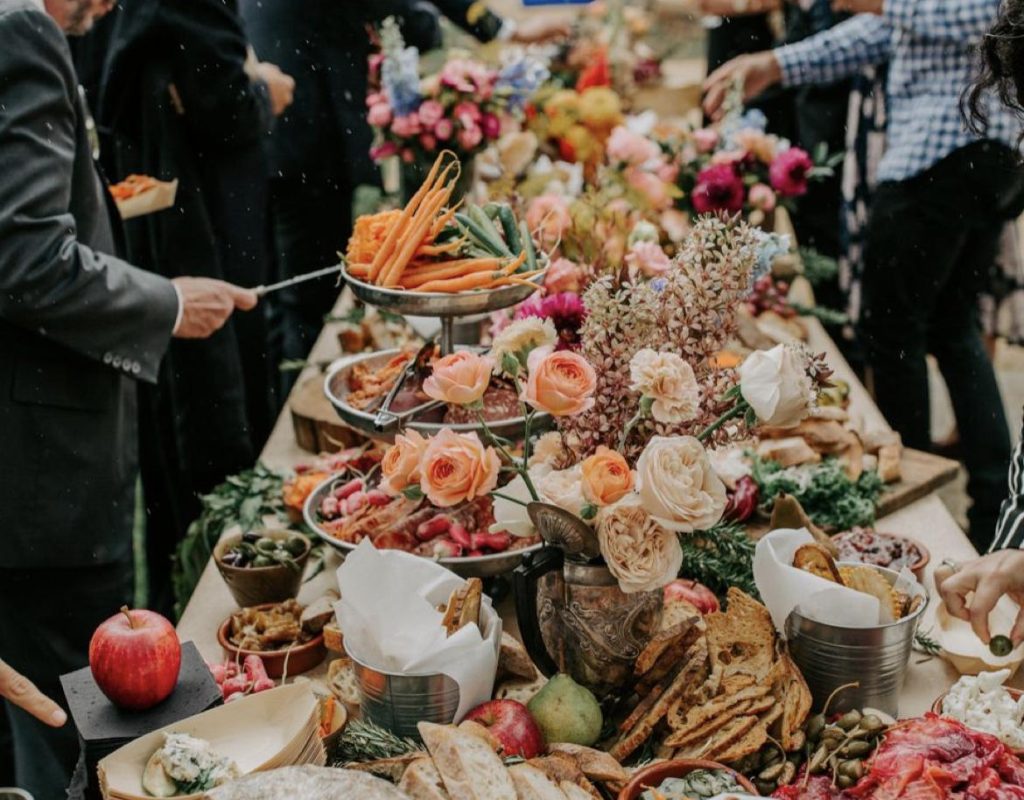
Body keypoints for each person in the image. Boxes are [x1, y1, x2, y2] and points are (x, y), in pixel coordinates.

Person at [0, 0, 255, 794]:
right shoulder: (20, 31)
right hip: (42, 471)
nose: (115, 3)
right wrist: (166, 303)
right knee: (74, 734)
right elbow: (29, 260)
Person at [704, 0, 1024, 553]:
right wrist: (775, 65)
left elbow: (986, 14)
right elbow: (876, 34)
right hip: (971, 156)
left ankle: (908, 513)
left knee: (891, 333)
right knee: (952, 328)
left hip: (945, 158)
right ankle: (991, 512)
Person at [239, 0, 570, 397]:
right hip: (304, 118)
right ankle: (301, 407)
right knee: (305, 300)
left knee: (280, 294)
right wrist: (447, 25)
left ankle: (278, 404)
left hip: (276, 113)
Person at [85, 0, 294, 616]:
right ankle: (225, 592)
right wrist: (266, 92)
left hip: (155, 211)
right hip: (198, 224)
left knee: (175, 423)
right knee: (211, 408)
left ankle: (186, 585)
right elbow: (225, 105)